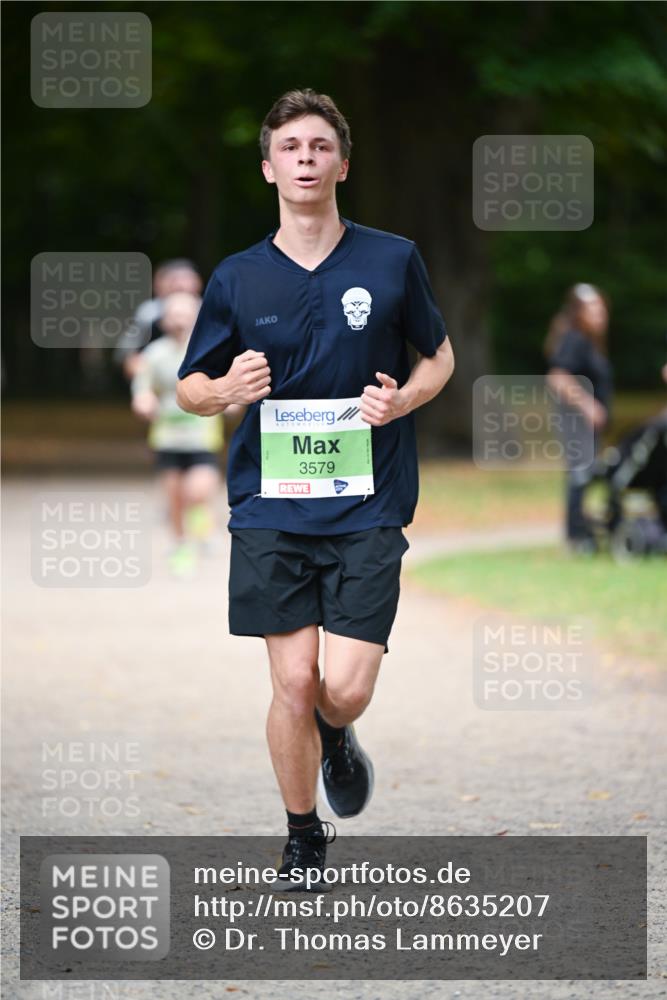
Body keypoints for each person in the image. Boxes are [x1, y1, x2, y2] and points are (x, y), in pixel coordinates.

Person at [176, 88, 455, 890]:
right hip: (270, 506)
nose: (305, 158)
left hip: (368, 503)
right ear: (268, 169)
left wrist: (402, 398)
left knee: (343, 687)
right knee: (291, 682)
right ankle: (303, 836)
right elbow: (190, 387)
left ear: (340, 162)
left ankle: (338, 734)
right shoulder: (236, 277)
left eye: (318, 146)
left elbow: (437, 357)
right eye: (290, 147)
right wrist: (225, 390)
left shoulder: (390, 258)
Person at [131, 291, 225, 576]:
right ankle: (181, 546)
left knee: (198, 490)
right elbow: (142, 386)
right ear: (164, 319)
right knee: (174, 497)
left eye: (186, 313)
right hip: (167, 438)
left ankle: (200, 517)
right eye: (174, 314)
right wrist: (143, 399)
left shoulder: (209, 349)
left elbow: (224, 382)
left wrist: (228, 397)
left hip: (202, 437)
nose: (180, 319)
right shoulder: (155, 353)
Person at [545, 283, 613, 552]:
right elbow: (558, 377)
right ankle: (576, 537)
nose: (600, 316)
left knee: (584, 474)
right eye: (593, 310)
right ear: (578, 313)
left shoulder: (588, 342)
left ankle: (582, 531)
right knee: (580, 474)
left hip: (586, 428)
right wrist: (588, 405)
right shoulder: (575, 339)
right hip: (577, 424)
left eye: (601, 310)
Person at [116, 259, 203, 380]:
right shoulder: (150, 312)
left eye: (186, 279)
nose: (180, 285)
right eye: (174, 279)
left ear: (198, 282)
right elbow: (129, 350)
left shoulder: (208, 310)